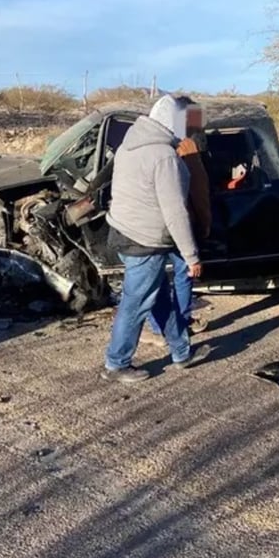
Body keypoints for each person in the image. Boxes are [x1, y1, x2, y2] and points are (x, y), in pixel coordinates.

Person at [102, 94, 211, 382]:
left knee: (159, 298)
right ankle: (117, 363)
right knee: (136, 303)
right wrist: (191, 256)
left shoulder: (129, 145)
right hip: (145, 242)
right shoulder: (163, 156)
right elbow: (175, 211)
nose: (187, 132)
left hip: (123, 232)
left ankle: (181, 352)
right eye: (185, 124)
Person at [142, 97, 212, 339]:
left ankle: (159, 326)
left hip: (150, 223)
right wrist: (204, 225)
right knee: (183, 273)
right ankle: (181, 325)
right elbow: (200, 193)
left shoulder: (148, 144)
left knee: (155, 278)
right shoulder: (188, 149)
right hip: (181, 221)